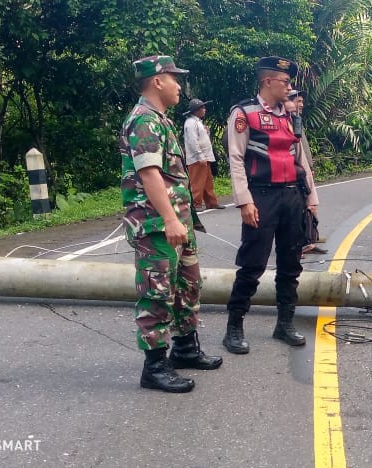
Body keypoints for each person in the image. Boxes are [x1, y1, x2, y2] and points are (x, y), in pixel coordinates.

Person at [119, 55, 222, 393]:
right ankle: (155, 366)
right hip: (157, 225)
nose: (180, 85)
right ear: (157, 81)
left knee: (187, 286)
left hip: (178, 222)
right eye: (174, 78)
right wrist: (168, 219)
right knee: (157, 293)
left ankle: (185, 348)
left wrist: (181, 220)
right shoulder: (144, 121)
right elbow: (149, 175)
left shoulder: (160, 120)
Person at [222, 56, 309, 353]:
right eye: (285, 82)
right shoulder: (244, 113)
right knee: (252, 264)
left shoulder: (290, 115)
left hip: (291, 196)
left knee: (291, 264)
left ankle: (284, 324)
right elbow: (235, 159)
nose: (289, 87)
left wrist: (311, 201)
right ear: (267, 81)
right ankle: (234, 327)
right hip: (261, 197)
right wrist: (244, 201)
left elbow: (301, 159)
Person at [285, 90, 326, 256]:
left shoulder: (296, 120)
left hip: (302, 172)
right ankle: (298, 245)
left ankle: (308, 241)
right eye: (297, 101)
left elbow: (302, 148)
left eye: (302, 101)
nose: (301, 104)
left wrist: (309, 167)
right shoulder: (282, 120)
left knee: (307, 208)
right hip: (290, 176)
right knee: (296, 212)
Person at [182, 97, 225, 210]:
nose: (204, 109)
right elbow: (192, 141)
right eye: (202, 108)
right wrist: (200, 156)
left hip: (204, 157)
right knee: (197, 182)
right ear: (196, 110)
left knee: (207, 181)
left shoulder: (197, 122)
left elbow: (201, 138)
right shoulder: (190, 123)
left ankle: (211, 202)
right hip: (197, 158)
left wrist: (207, 131)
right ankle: (196, 204)